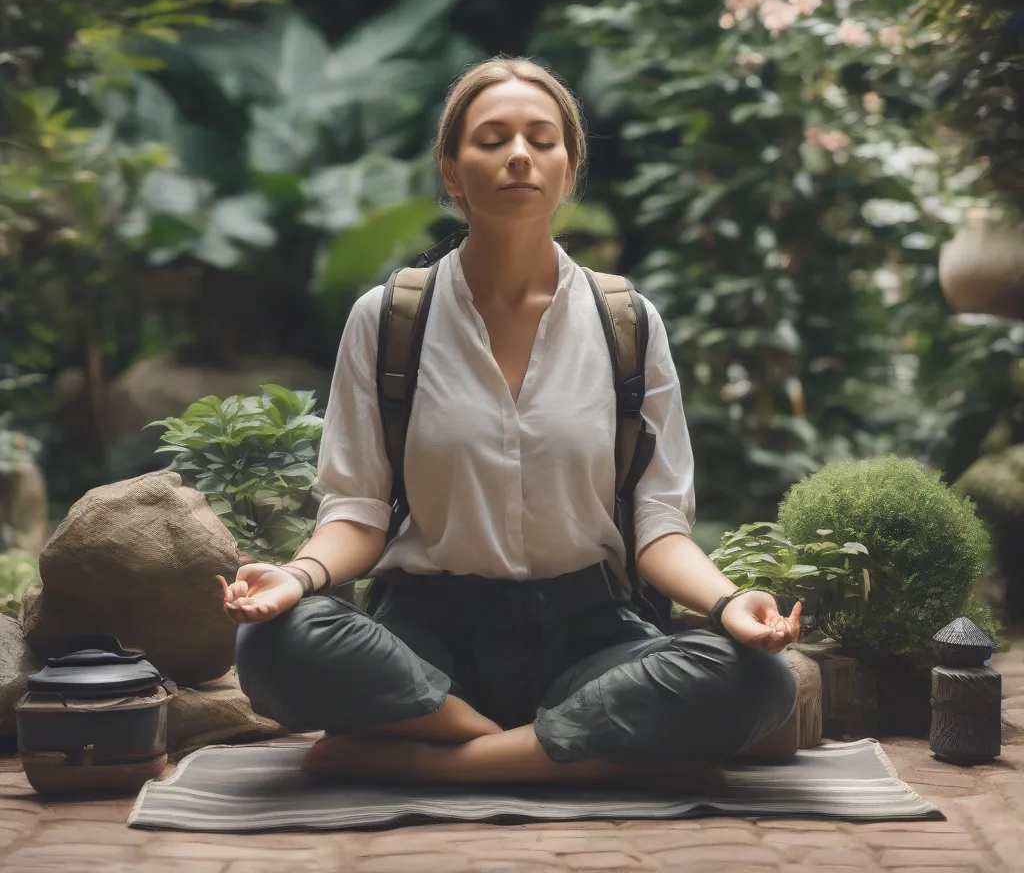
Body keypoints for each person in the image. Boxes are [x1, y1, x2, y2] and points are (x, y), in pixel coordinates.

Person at [223, 57, 800, 788]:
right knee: (272, 646)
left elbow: (658, 522)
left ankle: (443, 761)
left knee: (757, 680)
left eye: (542, 138)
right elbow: (358, 512)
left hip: (589, 634)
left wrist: (727, 603)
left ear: (569, 166)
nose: (520, 155)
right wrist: (294, 579)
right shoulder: (391, 321)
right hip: (425, 640)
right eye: (492, 139)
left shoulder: (625, 323)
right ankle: (551, 748)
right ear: (452, 170)